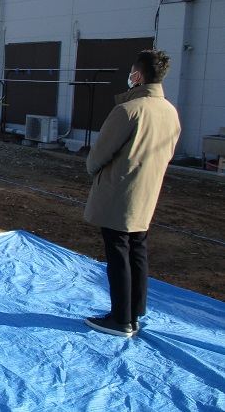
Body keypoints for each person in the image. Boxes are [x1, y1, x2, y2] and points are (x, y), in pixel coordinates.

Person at [84, 50, 181, 337]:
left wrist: (95, 168)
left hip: (120, 191)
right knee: (138, 248)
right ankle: (135, 311)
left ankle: (120, 318)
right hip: (149, 190)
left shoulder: (130, 109)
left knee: (118, 252)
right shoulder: (170, 111)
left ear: (138, 75)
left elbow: (98, 156)